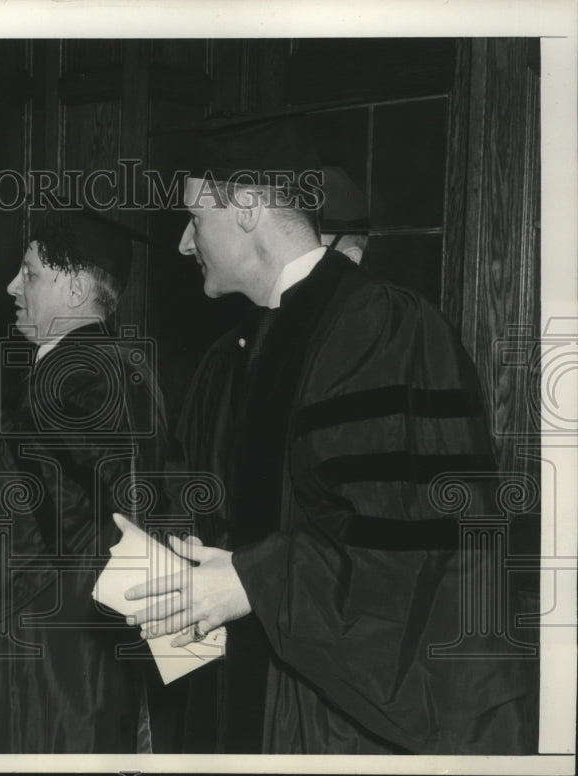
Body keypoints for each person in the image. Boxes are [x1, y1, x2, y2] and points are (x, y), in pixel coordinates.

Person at [125, 120, 539, 754]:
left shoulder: (384, 328)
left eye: (193, 218)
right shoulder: (237, 353)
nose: (184, 243)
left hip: (338, 722)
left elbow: (416, 552)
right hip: (257, 696)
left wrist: (249, 582)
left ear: (245, 208)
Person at [0, 208, 169, 753]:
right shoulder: (119, 365)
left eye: (30, 273)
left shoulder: (81, 376)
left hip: (50, 650)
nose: (12, 286)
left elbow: (26, 496)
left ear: (77, 288)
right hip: (90, 636)